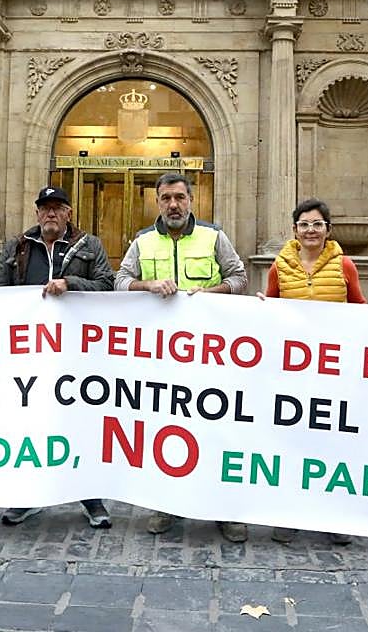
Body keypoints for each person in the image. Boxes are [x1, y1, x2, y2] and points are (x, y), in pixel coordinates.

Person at [115, 172, 249, 542]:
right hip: (162, 358)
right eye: (165, 199)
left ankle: (226, 511)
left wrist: (211, 292)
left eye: (179, 197)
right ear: (157, 202)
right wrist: (147, 285)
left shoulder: (214, 236)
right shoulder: (143, 241)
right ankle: (168, 505)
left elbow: (239, 278)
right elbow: (120, 281)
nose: (173, 205)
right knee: (168, 431)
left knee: (217, 430)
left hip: (212, 356)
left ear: (191, 200)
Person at [0, 185, 117, 529]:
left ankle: (91, 497)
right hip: (27, 355)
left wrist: (70, 283)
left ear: (69, 213)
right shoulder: (18, 246)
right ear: (37, 213)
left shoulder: (90, 246)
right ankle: (28, 496)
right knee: (30, 423)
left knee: (80, 423)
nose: (50, 214)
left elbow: (107, 285)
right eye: (45, 208)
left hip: (77, 354)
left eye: (57, 208)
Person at [260, 197, 368, 545]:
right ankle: (289, 514)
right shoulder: (279, 267)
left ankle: (334, 516)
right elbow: (271, 309)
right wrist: (260, 310)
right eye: (304, 224)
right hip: (294, 374)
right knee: (292, 442)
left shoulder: (344, 265)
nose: (311, 231)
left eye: (317, 224)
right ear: (295, 230)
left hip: (334, 373)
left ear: (328, 230)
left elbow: (358, 307)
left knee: (333, 445)